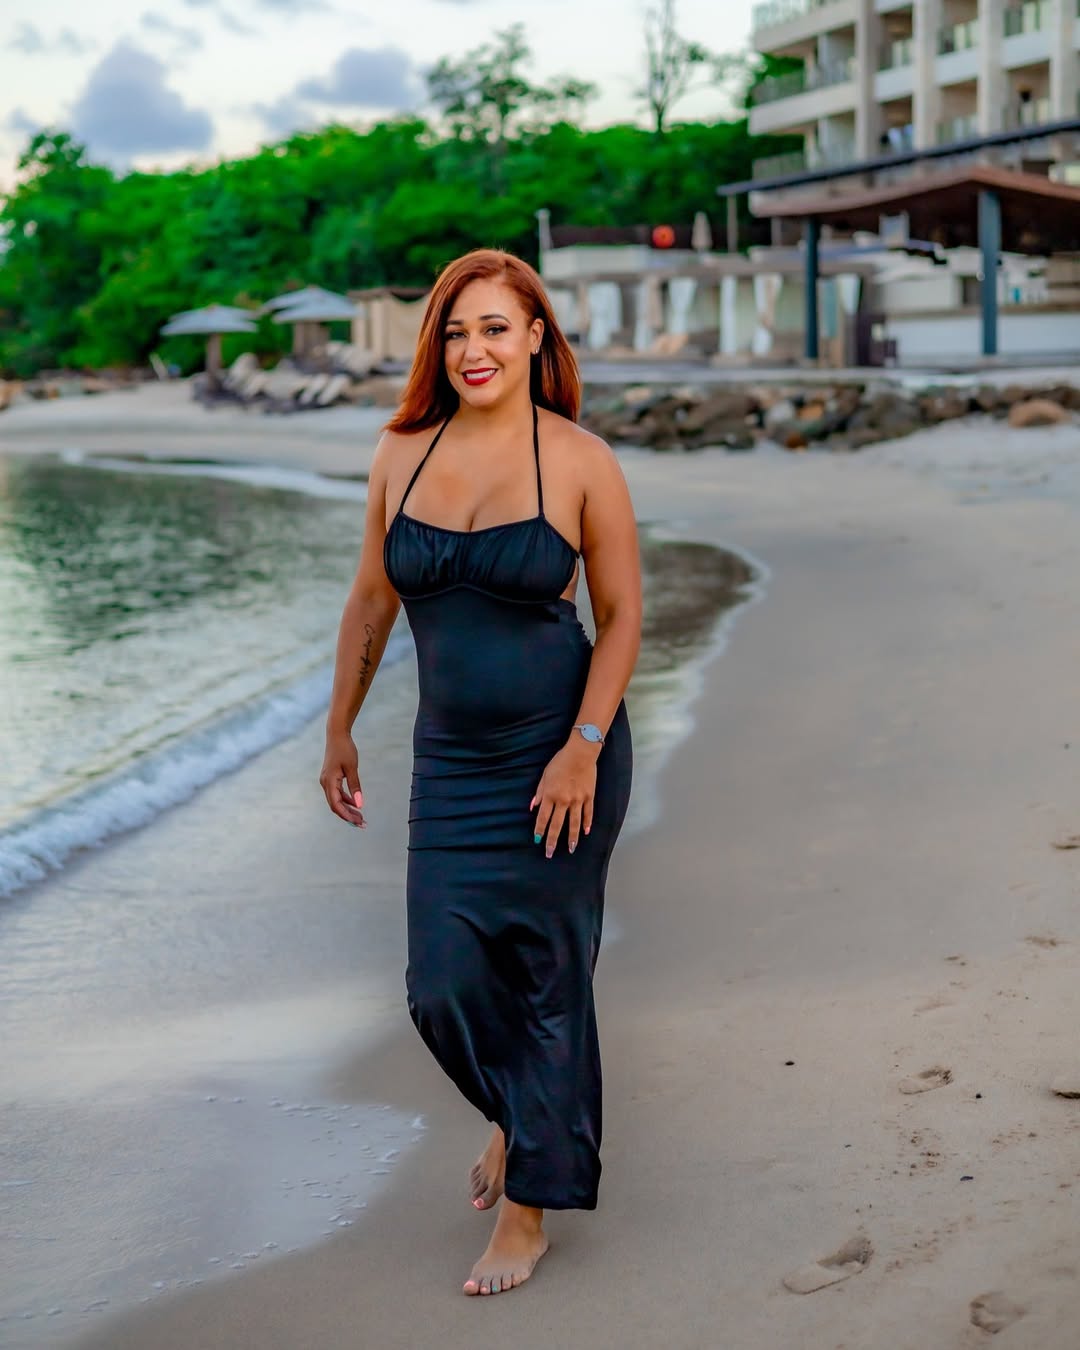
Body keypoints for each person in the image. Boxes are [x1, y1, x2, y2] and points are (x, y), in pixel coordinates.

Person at [319, 248, 640, 1297]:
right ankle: (518, 1115)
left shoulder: (580, 460)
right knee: (442, 986)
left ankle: (527, 1213)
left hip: (564, 751)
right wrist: (339, 728)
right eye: (456, 332)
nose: (474, 349)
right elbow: (372, 601)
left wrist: (582, 748)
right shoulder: (400, 452)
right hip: (452, 760)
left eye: (495, 328)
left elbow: (622, 617)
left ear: (537, 336)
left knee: (547, 976)